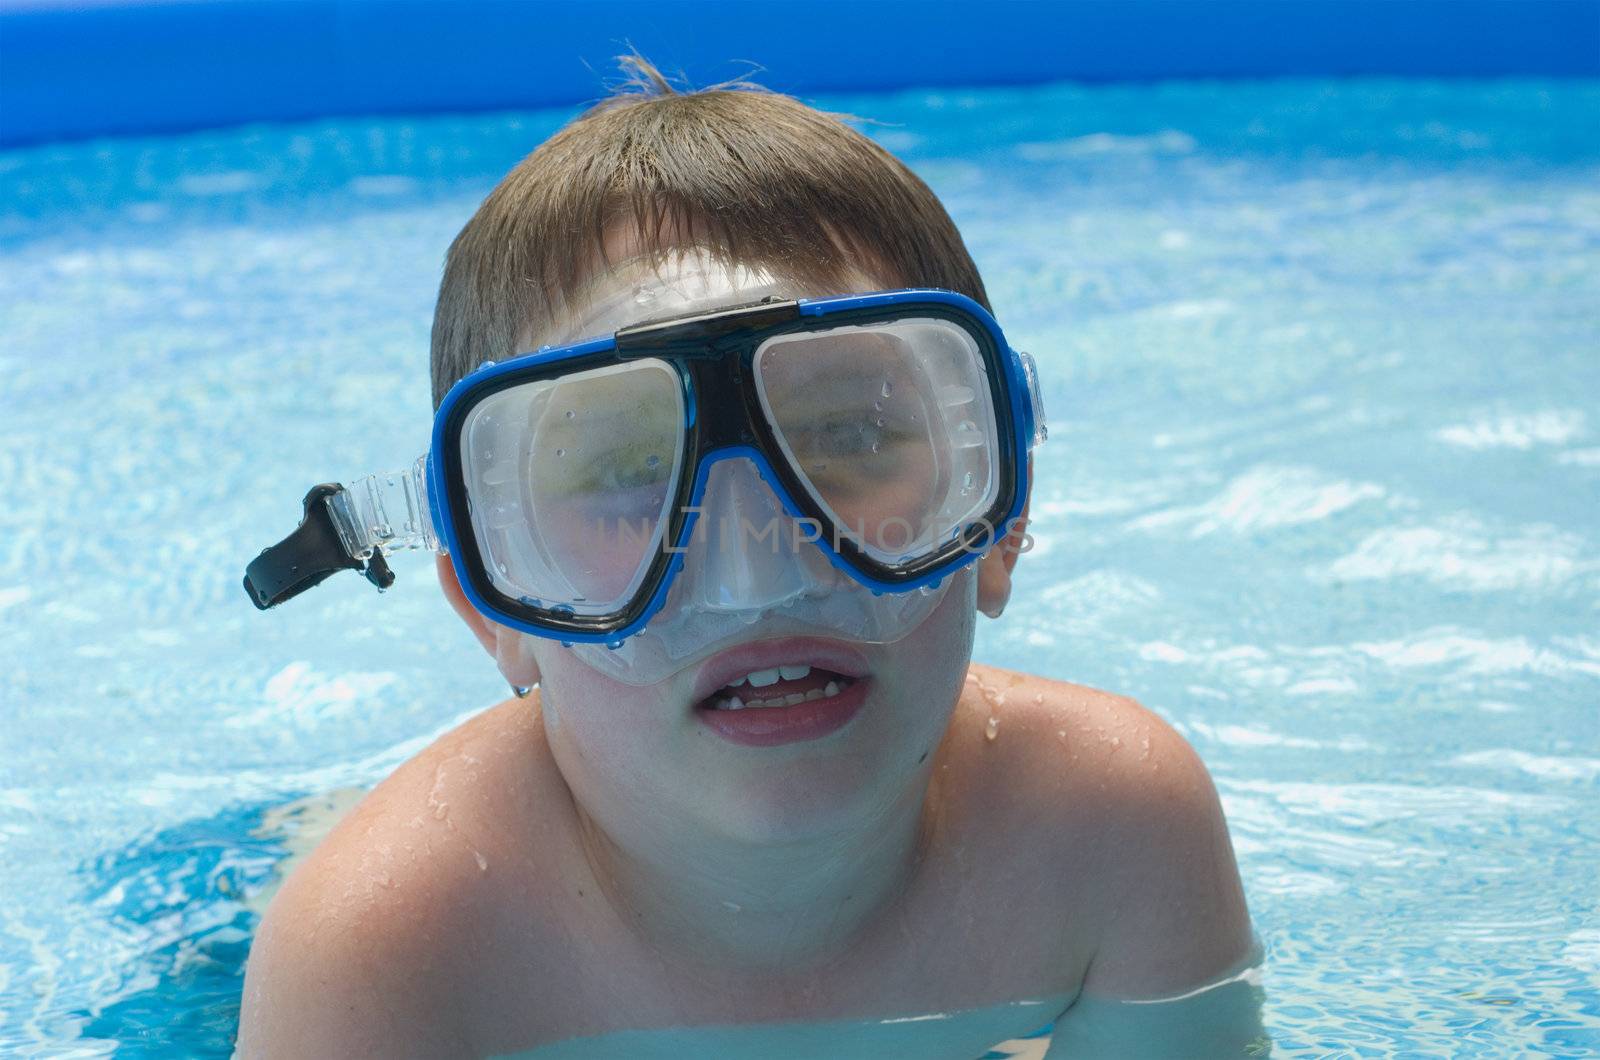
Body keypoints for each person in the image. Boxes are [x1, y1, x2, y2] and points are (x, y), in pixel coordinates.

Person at [235, 58, 1256, 1058]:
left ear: (997, 522)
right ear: (496, 611)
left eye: (852, 437)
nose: (758, 575)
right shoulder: (389, 948)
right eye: (628, 473)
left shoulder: (1110, 834)